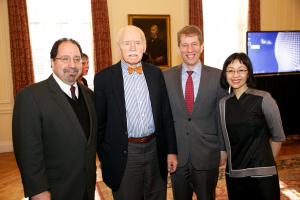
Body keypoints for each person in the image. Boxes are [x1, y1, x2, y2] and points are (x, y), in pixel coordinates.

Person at [94, 25, 178, 200]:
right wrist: (106, 157)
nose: (132, 47)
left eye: (137, 43)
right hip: (125, 153)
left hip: (155, 150)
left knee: (156, 195)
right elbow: (99, 125)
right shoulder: (104, 78)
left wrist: (171, 151)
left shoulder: (156, 74)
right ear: (119, 47)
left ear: (144, 47)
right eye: (127, 43)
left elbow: (165, 115)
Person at [12, 38, 97, 200]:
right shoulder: (31, 96)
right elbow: (28, 151)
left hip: (86, 187)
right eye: (65, 59)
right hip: (54, 191)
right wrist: (38, 191)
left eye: (77, 59)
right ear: (52, 62)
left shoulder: (89, 95)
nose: (72, 64)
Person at [163, 25, 227, 200]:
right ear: (179, 48)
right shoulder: (166, 77)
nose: (189, 50)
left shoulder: (218, 77)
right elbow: (164, 117)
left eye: (194, 44)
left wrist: (223, 148)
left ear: (202, 46)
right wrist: (168, 150)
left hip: (207, 154)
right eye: (184, 45)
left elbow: (221, 117)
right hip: (178, 156)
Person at [219, 52, 286, 200]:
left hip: (263, 175)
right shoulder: (223, 103)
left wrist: (265, 161)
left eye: (241, 70)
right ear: (225, 74)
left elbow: (278, 136)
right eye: (230, 70)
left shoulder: (264, 98)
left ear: (248, 72)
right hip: (235, 174)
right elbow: (225, 138)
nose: (235, 75)